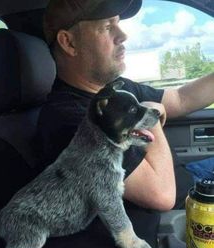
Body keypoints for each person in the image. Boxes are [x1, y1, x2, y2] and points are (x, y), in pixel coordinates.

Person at [38, 0, 214, 210]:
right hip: (189, 205)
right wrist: (150, 116)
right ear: (69, 42)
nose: (123, 35)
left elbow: (179, 99)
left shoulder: (112, 88)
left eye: (118, 23)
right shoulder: (73, 119)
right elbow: (162, 195)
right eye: (107, 27)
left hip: (189, 176)